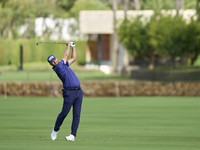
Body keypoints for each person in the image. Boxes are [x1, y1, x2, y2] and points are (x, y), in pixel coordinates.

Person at [47, 42, 83, 141]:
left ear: (56, 58)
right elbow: (66, 55)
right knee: (64, 113)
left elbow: (74, 58)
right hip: (69, 93)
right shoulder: (58, 68)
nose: (54, 61)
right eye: (52, 62)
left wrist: (73, 46)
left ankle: (72, 135)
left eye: (54, 59)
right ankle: (55, 130)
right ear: (51, 65)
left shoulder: (64, 65)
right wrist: (68, 45)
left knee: (77, 115)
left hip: (78, 92)